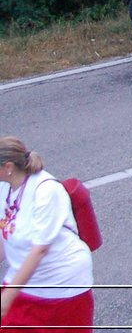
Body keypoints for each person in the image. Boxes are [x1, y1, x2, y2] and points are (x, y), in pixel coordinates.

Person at [0, 138, 93, 333]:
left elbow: (40, 248)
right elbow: (3, 236)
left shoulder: (45, 191)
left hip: (61, 288)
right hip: (22, 284)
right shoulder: (4, 188)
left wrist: (8, 296)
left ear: (8, 167)